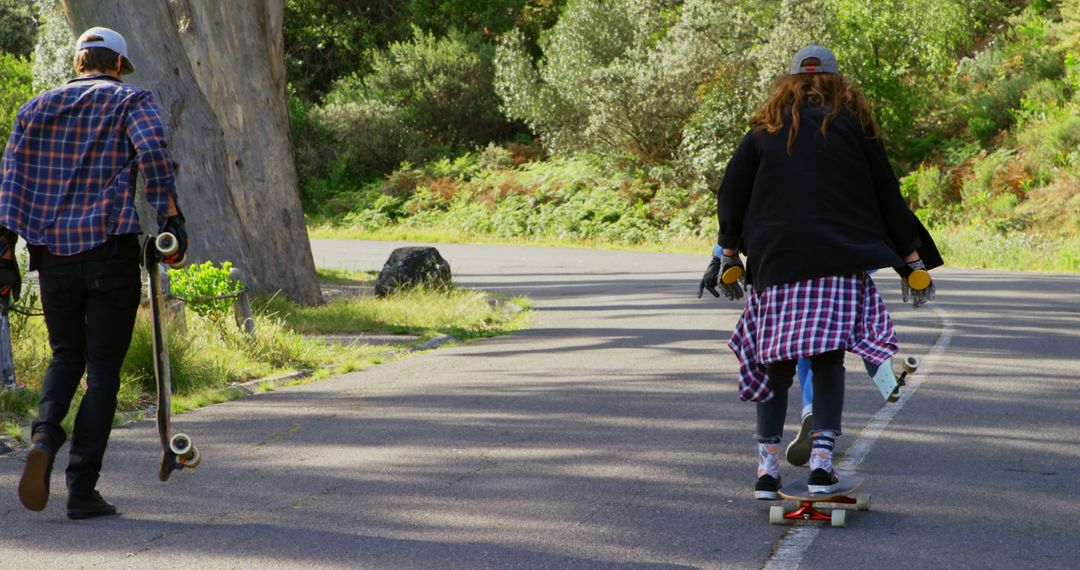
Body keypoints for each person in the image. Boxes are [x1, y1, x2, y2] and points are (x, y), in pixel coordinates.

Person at [697, 45, 941, 499]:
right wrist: (912, 261)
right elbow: (888, 194)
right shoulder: (854, 127)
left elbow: (731, 195)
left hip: (777, 262)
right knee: (827, 358)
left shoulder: (761, 133)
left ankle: (766, 473)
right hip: (838, 260)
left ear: (787, 83)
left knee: (774, 364)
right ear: (836, 82)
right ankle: (822, 466)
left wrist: (728, 253)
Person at [0, 26, 187, 518]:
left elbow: (10, 182)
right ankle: (81, 489)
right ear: (119, 66)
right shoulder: (130, 101)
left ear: (79, 61)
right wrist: (170, 219)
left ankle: (43, 438)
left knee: (66, 356)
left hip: (53, 259)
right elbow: (153, 155)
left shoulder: (33, 109)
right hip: (109, 252)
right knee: (103, 372)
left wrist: (5, 250)